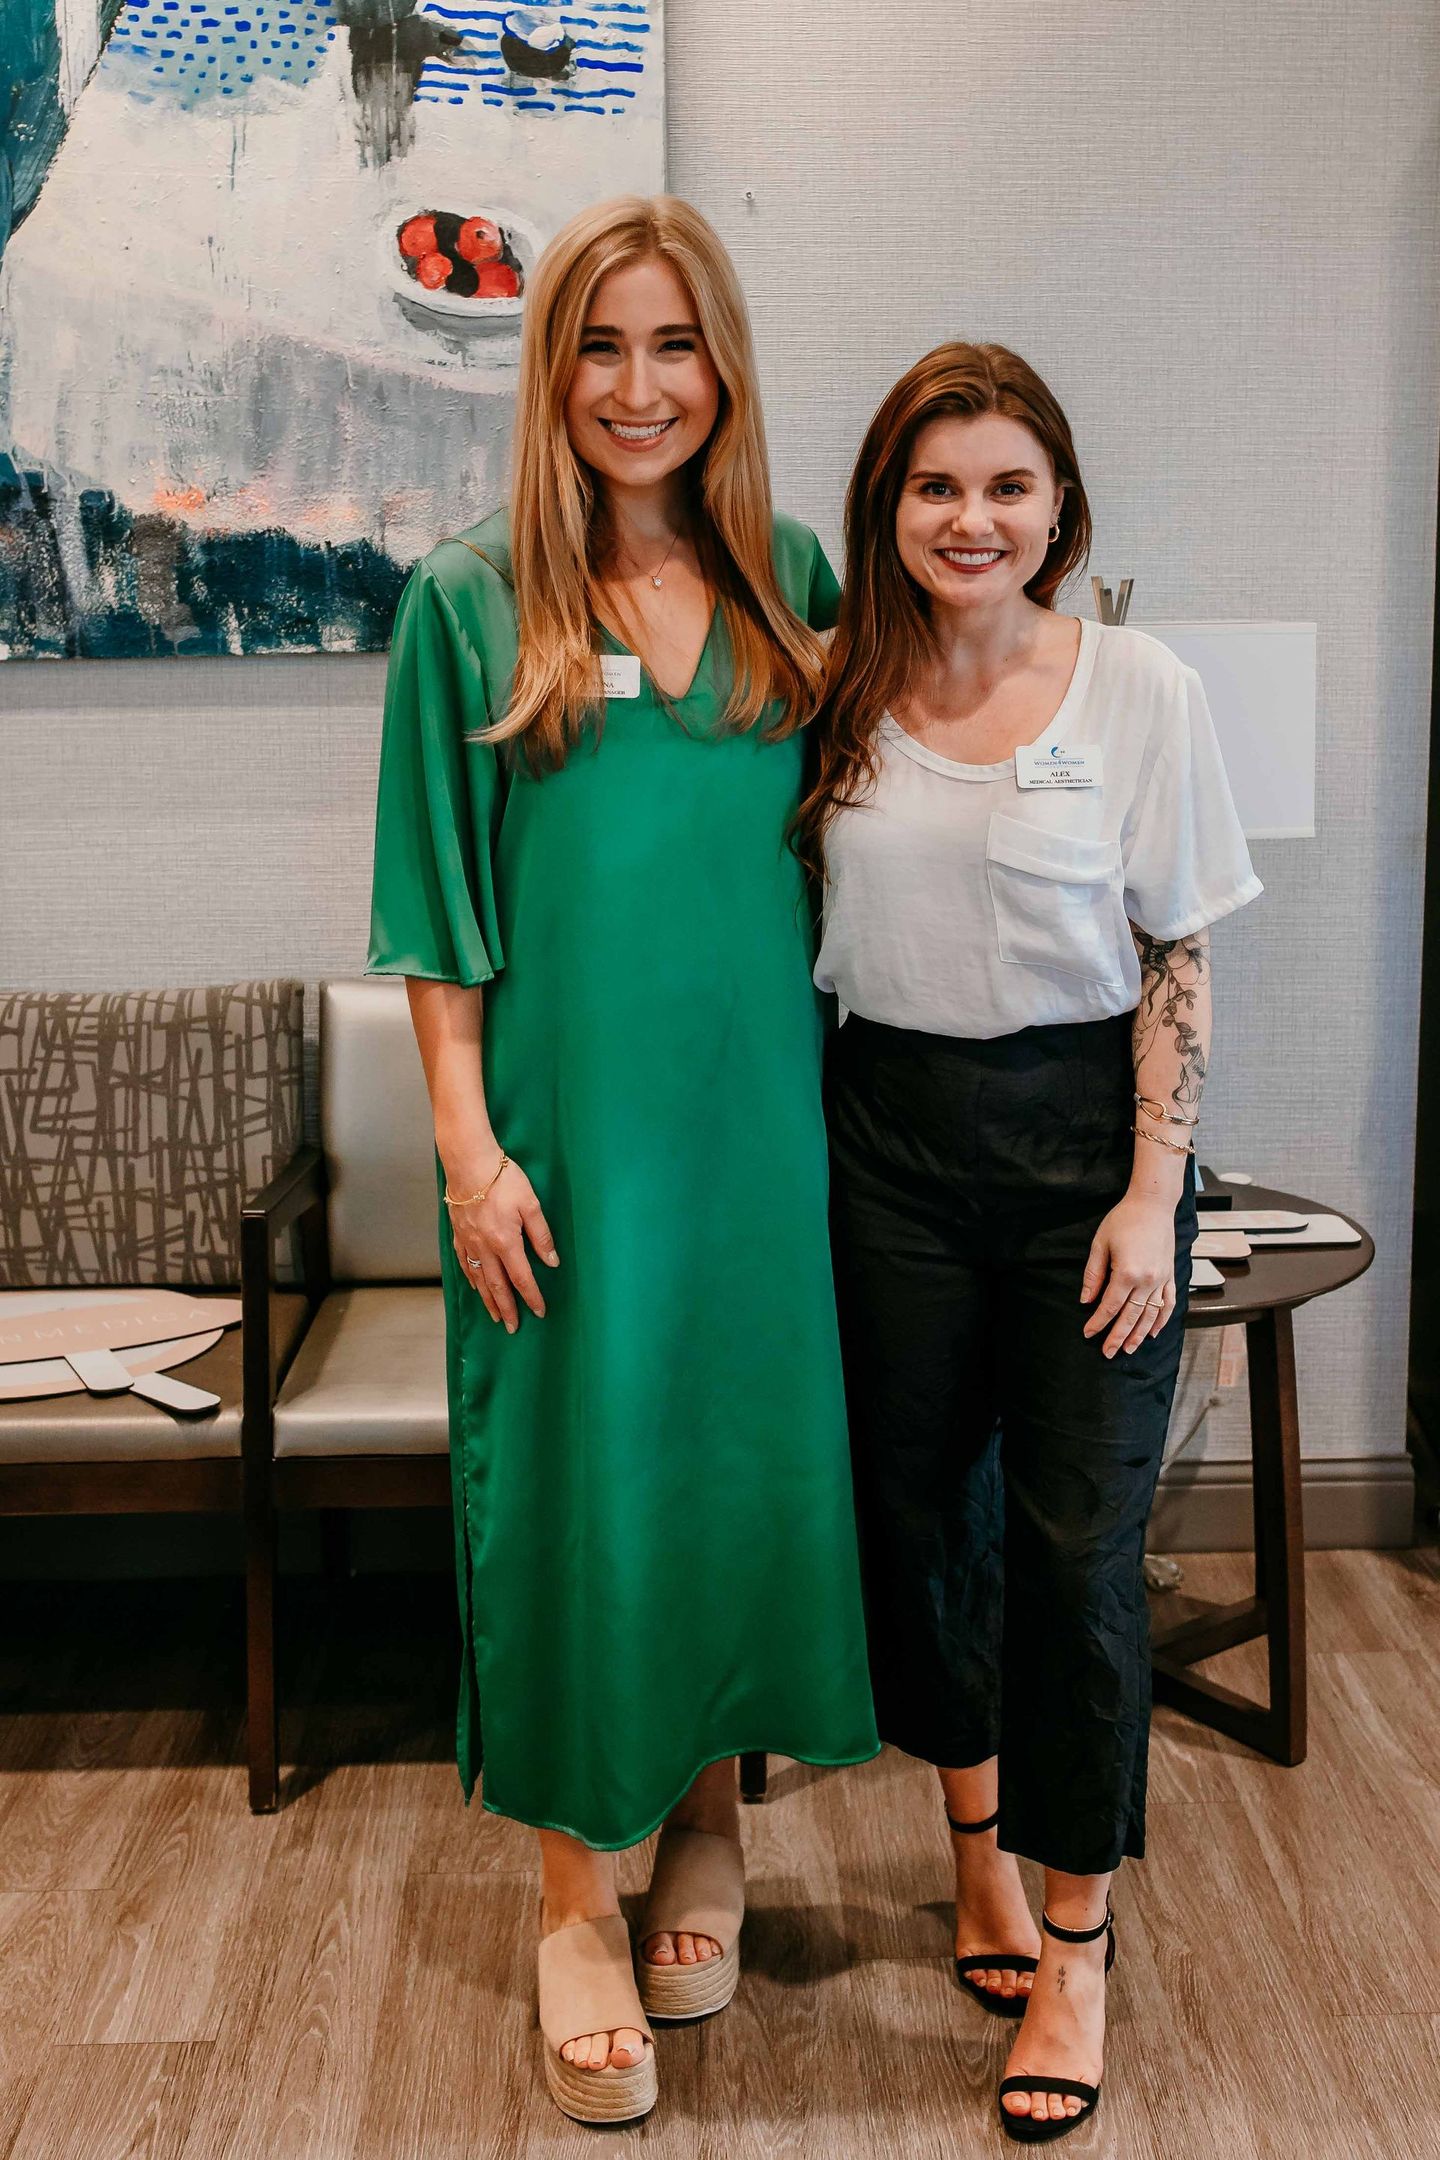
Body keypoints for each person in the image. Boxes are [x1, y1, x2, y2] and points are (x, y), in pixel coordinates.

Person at [365, 194, 878, 2126]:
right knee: (580, 1489)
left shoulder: (798, 580)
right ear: (549, 369)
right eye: (600, 346)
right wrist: (467, 1151)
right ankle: (576, 1896)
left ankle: (714, 1833)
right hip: (561, 1145)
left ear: (721, 368)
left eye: (674, 347)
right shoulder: (468, 603)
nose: (638, 387)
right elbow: (436, 915)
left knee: (737, 1475)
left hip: (762, 1142)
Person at [797, 342, 1261, 2145]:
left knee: (1076, 1553)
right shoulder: (835, 686)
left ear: (1059, 500)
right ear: (887, 509)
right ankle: (973, 1847)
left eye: (1006, 484)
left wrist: (1155, 1190)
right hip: (886, 1143)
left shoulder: (1138, 686)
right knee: (921, 1514)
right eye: (934, 486)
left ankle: (1075, 1938)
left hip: (1085, 1154)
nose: (970, 518)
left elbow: (1178, 958)